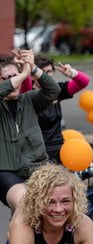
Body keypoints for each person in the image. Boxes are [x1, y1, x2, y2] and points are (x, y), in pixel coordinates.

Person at [0, 50, 60, 211]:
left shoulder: (29, 99)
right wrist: (22, 74)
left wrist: (33, 69)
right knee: (23, 203)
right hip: (6, 171)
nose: (13, 81)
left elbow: (53, 91)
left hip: (37, 167)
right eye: (6, 78)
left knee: (59, 201)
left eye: (15, 75)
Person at [19, 55, 90, 163]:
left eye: (50, 71)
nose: (47, 75)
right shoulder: (28, 93)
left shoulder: (57, 90)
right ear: (33, 75)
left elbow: (84, 82)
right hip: (38, 149)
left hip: (59, 147)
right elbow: (26, 86)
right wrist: (27, 68)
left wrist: (72, 73)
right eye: (43, 72)